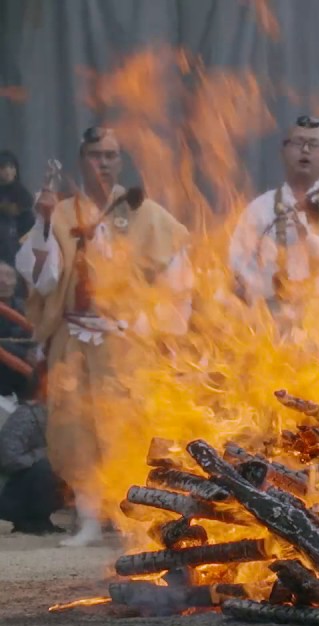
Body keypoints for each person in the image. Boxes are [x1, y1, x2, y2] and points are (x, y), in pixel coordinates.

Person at [14, 126, 192, 546]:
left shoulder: (146, 213)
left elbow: (178, 277)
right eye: (95, 154)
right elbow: (41, 278)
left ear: (120, 161)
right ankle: (90, 518)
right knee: (76, 430)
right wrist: (41, 223)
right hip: (75, 337)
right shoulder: (60, 213)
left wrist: (156, 324)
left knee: (127, 428)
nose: (104, 162)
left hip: (125, 340)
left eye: (111, 154)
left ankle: (131, 518)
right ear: (82, 160)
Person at [229, 115, 319, 328]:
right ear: (283, 152)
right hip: (271, 336)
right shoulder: (259, 210)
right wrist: (263, 278)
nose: (305, 150)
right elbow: (237, 268)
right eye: (298, 143)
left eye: (314, 144)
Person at [0, 367, 65, 535]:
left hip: (41, 478)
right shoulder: (25, 416)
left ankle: (42, 519)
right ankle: (29, 519)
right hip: (19, 489)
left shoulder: (58, 414)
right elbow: (9, 458)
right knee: (45, 467)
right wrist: (44, 454)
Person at [0, 150, 35, 269]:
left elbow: (27, 205)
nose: (8, 171)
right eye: (3, 167)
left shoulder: (20, 191)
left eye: (11, 167)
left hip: (17, 244)